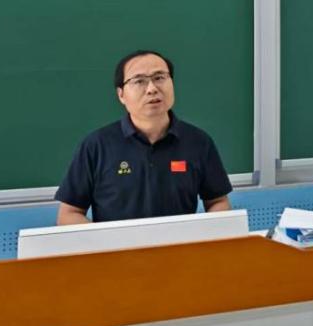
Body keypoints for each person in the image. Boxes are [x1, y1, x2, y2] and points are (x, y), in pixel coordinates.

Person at [55, 50, 232, 224]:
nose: (152, 89)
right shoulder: (96, 145)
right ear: (121, 95)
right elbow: (69, 214)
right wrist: (106, 240)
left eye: (159, 77)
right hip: (117, 244)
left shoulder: (198, 142)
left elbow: (218, 201)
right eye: (139, 81)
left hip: (180, 243)